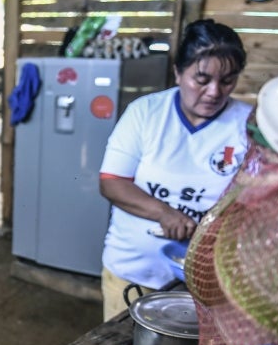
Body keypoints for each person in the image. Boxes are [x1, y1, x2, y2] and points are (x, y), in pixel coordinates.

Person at [98, 19, 251, 321]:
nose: (214, 92)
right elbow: (112, 182)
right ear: (178, 72)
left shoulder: (247, 125)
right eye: (202, 79)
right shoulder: (146, 113)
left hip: (205, 284)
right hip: (133, 272)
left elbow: (256, 197)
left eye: (227, 81)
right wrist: (164, 213)